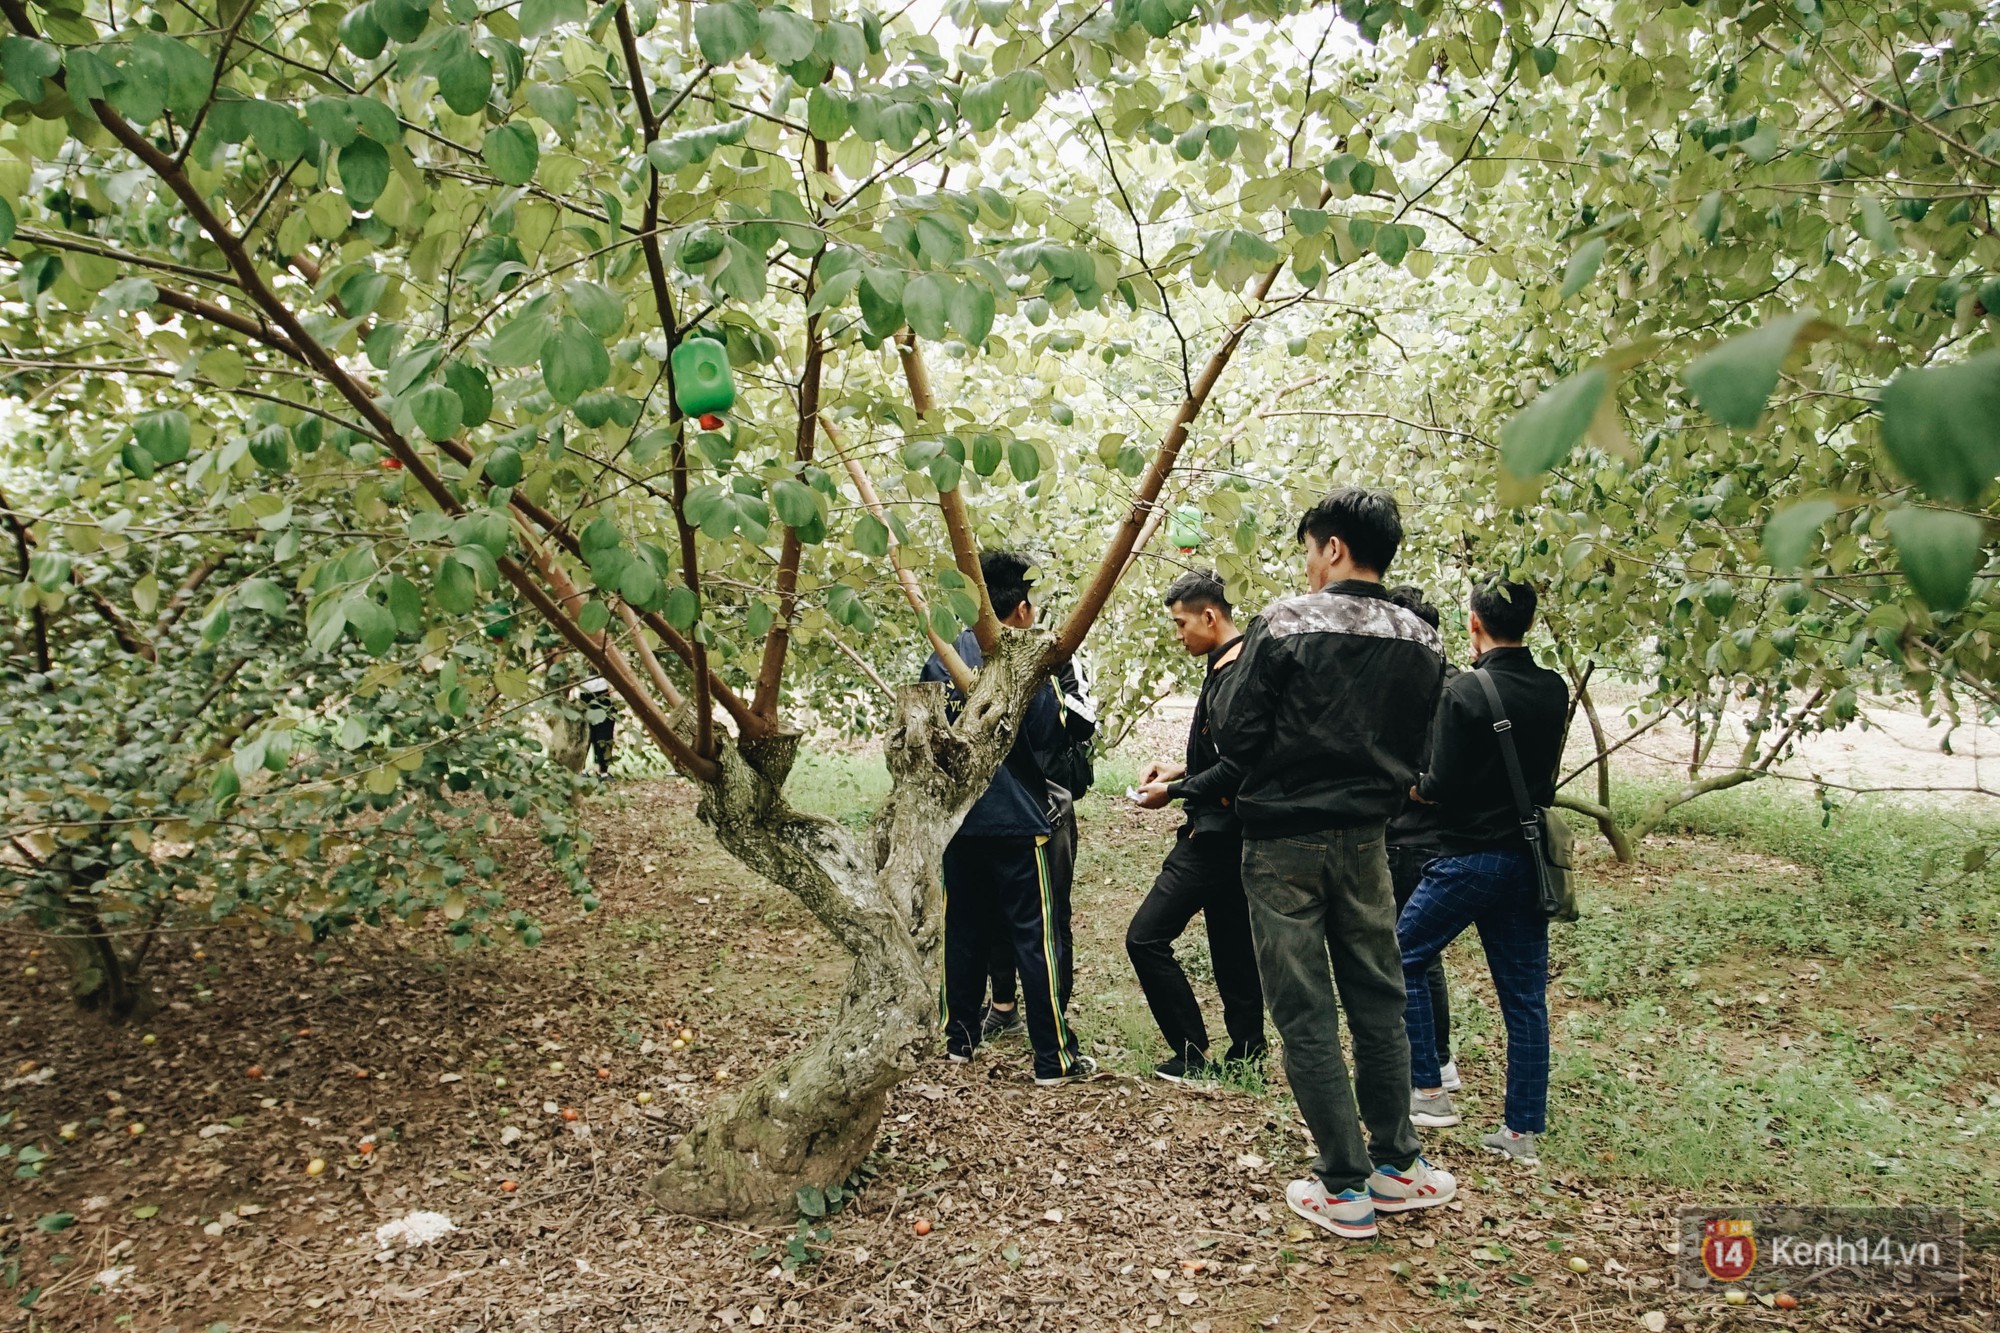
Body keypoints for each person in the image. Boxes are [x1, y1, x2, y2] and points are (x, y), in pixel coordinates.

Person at [1213, 486, 1456, 1241]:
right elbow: (1423, 749)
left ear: (1334, 547)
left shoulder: (1286, 621)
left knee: (1305, 1009)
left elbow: (1235, 733)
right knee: (1380, 1000)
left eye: (1310, 549)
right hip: (1369, 842)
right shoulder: (1424, 637)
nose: (1309, 564)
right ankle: (1398, 1165)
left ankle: (1343, 1184)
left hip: (1283, 843)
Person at [1399, 577, 1568, 1164]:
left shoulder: (1466, 691)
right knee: (1524, 998)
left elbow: (1439, 785)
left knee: (1402, 957)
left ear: (1473, 622)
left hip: (1468, 858)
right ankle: (1521, 1134)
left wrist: (1412, 789)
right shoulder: (1554, 689)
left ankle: (1429, 1090)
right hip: (1527, 859)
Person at [921, 551, 1095, 1086]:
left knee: (964, 928)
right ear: (1019, 610)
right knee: (1034, 936)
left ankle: (959, 1040)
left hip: (960, 820)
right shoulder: (1024, 661)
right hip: (1021, 820)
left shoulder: (941, 657)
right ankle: (1051, 1058)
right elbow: (1052, 732)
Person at [1128, 570, 1267, 1082]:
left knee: (1144, 938)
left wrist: (1175, 792)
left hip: (1216, 834)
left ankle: (1189, 1050)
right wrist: (1179, 768)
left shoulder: (1237, 675)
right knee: (1231, 943)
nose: (1178, 633)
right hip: (1230, 831)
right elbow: (1227, 751)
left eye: (1181, 623)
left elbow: (1240, 766)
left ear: (1210, 617)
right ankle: (1248, 1053)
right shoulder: (1229, 663)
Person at [981, 655, 1096, 1042]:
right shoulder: (970, 656)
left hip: (1050, 806)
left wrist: (1044, 679)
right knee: (996, 907)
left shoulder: (1059, 662)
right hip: (994, 804)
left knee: (1052, 914)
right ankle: (1003, 1008)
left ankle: (1051, 1019)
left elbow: (1083, 722)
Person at [1382, 588, 1460, 1101]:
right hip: (1431, 835)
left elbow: (1428, 772)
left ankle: (1432, 1064)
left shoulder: (1426, 688)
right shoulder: (1452, 682)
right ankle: (1438, 1059)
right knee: (1421, 952)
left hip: (1416, 836)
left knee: (1414, 952)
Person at [580, 676, 615, 775]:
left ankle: (600, 770)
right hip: (591, 688)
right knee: (590, 731)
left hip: (595, 688)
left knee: (598, 732)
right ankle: (599, 770)